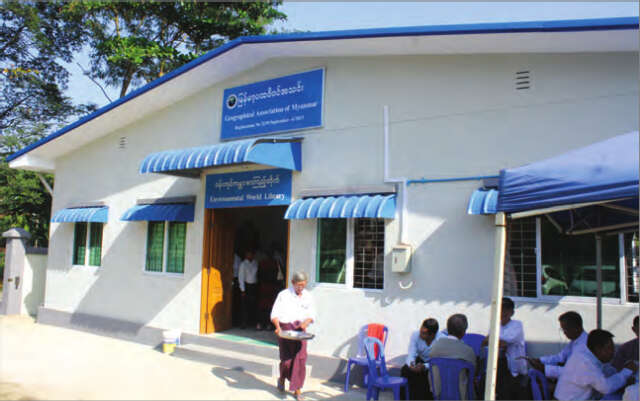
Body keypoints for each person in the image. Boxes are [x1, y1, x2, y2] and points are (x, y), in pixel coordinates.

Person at [554, 329, 638, 400]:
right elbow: (606, 387)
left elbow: (609, 372)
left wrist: (624, 375)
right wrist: (626, 371)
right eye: (610, 348)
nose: (613, 352)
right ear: (598, 349)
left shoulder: (591, 357)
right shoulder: (585, 363)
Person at [271, 271, 316, 401]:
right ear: (292, 283)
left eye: (303, 285)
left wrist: (306, 322)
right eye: (298, 285)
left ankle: (297, 390)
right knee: (287, 361)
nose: (301, 287)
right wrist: (278, 327)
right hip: (286, 330)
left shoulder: (308, 296)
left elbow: (312, 314)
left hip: (301, 331)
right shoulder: (283, 295)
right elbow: (274, 314)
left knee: (300, 360)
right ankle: (282, 378)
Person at [482, 297, 528, 400]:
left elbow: (503, 343)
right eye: (500, 310)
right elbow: (485, 343)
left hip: (513, 369)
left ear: (512, 313)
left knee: (506, 394)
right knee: (484, 387)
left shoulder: (517, 325)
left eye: (506, 311)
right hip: (497, 365)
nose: (502, 313)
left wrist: (493, 340)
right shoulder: (494, 325)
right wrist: (494, 341)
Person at [521, 311, 587, 379]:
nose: (564, 333)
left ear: (576, 328)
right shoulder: (575, 341)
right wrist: (540, 360)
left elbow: (570, 372)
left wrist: (543, 368)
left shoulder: (583, 346)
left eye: (565, 329)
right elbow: (560, 357)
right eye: (562, 329)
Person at [429, 314, 476, 400]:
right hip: (462, 397)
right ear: (463, 332)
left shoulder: (434, 348)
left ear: (447, 329)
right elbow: (473, 375)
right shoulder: (468, 352)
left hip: (439, 396)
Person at [401, 318, 444, 400]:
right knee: (405, 370)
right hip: (420, 360)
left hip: (434, 363)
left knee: (429, 375)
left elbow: (440, 360)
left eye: (424, 333)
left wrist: (425, 366)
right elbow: (411, 353)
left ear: (432, 335)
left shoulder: (441, 339)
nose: (420, 334)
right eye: (420, 330)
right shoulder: (415, 335)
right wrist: (412, 365)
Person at [238, 249, 258, 329]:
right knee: (244, 306)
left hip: (254, 286)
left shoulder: (255, 263)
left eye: (251, 254)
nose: (250, 255)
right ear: (246, 255)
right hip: (246, 286)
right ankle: (244, 322)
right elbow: (241, 277)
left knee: (253, 304)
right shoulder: (243, 264)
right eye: (248, 254)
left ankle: (252, 322)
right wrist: (242, 289)